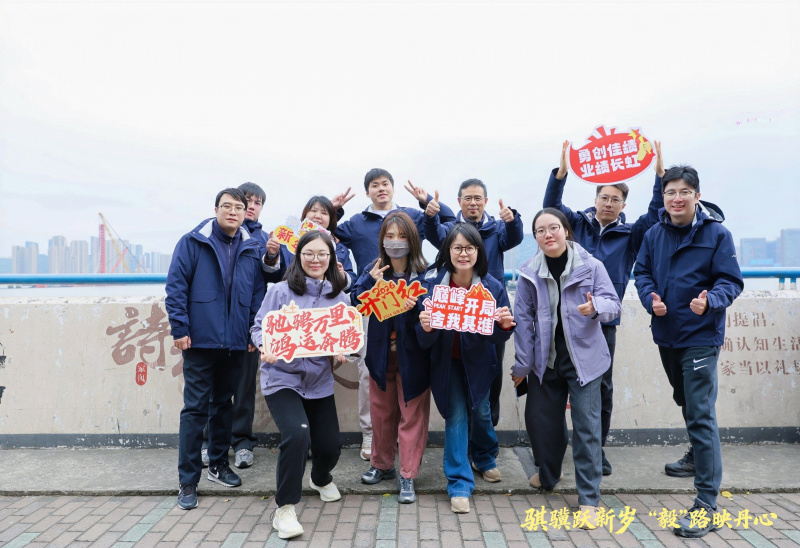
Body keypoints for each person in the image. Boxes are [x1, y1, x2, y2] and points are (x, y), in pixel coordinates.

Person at [634, 165, 743, 538]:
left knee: (700, 413)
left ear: (697, 195)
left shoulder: (717, 235)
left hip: (701, 335)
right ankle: (698, 456)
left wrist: (711, 300)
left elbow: (731, 281)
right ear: (663, 197)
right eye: (670, 192)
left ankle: (707, 505)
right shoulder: (654, 234)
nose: (676, 199)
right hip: (667, 334)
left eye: (684, 192)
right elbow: (642, 274)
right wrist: (650, 299)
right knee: (685, 400)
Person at [542, 140, 664, 475]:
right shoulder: (576, 225)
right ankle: (553, 450)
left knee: (601, 387)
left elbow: (656, 212)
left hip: (603, 321)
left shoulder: (631, 234)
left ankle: (596, 449)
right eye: (604, 197)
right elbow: (551, 210)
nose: (609, 203)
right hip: (565, 319)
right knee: (555, 384)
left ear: (623, 204)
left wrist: (659, 178)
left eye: (616, 199)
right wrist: (560, 175)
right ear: (595, 199)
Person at [510, 208, 620, 530]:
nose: (548, 234)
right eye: (540, 230)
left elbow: (613, 305)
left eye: (553, 227)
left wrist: (596, 307)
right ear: (536, 237)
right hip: (546, 361)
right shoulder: (529, 273)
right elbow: (523, 323)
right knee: (541, 424)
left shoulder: (590, 266)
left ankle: (588, 500)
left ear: (566, 231)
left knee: (586, 430)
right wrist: (522, 365)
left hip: (584, 361)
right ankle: (549, 475)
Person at [335, 169, 456, 461]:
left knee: (411, 385)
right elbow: (325, 234)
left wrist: (428, 203)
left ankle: (407, 457)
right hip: (375, 306)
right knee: (371, 377)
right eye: (374, 185)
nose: (381, 188)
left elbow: (448, 227)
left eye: (385, 184)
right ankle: (373, 440)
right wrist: (334, 209)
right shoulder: (356, 222)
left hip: (410, 313)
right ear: (367, 191)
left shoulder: (413, 216)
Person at [165, 188, 265, 510]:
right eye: (227, 206)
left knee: (224, 406)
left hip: (236, 342)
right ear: (216, 209)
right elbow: (176, 286)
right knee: (195, 410)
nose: (233, 212)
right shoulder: (193, 242)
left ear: (245, 213)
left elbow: (257, 294)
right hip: (200, 341)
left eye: (239, 207)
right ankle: (188, 480)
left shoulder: (251, 247)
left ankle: (219, 465)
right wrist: (180, 328)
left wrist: (252, 332)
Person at [251, 230, 350, 540]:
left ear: (331, 258)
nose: (315, 259)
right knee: (297, 434)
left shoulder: (339, 296)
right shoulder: (280, 291)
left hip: (319, 381)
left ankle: (319, 478)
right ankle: (284, 509)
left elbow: (346, 335)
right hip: (282, 377)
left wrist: (341, 349)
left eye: (322, 254)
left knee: (330, 445)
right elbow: (259, 326)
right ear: (298, 256)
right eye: (309, 253)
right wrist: (265, 344)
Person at [416, 223, 515, 514]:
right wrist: (427, 328)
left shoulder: (493, 287)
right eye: (457, 247)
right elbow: (422, 338)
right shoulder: (432, 286)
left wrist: (504, 326)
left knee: (482, 412)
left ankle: (484, 456)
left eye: (469, 248)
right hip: (447, 365)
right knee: (456, 417)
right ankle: (459, 483)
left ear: (478, 252)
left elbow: (500, 336)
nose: (463, 254)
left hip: (480, 364)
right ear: (447, 251)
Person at [422, 179, 524, 430]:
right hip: (455, 310)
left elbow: (514, 238)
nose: (473, 203)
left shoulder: (496, 228)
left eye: (478, 198)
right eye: (467, 198)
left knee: (491, 373)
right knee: (455, 374)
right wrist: (430, 217)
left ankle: (488, 428)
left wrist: (512, 221)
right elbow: (435, 235)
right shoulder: (451, 228)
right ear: (459, 202)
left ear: (486, 201)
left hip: (488, 309)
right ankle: (466, 436)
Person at [353, 212, 431, 504]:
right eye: (390, 236)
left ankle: (407, 474)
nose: (396, 242)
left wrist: (416, 307)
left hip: (415, 358)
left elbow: (433, 312)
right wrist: (369, 281)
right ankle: (381, 464)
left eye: (402, 236)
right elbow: (355, 301)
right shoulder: (373, 269)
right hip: (380, 354)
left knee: (412, 415)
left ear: (413, 240)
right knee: (381, 413)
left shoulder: (425, 273)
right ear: (382, 240)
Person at [199, 182, 270, 471]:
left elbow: (261, 287)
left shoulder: (263, 240)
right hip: (214, 329)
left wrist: (255, 329)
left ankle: (242, 442)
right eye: (245, 202)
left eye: (256, 203)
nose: (250, 207)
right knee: (213, 390)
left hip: (245, 327)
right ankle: (210, 442)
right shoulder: (206, 236)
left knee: (243, 389)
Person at [262, 194, 356, 289]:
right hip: (291, 296)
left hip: (325, 297)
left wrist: (342, 276)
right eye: (313, 210)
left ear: (331, 219)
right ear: (305, 214)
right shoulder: (288, 241)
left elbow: (351, 283)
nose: (318, 216)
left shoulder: (340, 249)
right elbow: (271, 276)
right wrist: (272, 256)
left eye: (324, 213)